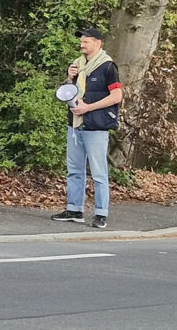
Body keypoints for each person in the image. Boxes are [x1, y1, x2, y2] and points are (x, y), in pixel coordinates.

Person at [52, 27, 122, 229]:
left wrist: (88, 107)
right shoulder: (77, 65)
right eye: (81, 41)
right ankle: (74, 209)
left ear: (98, 43)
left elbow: (117, 97)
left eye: (86, 41)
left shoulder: (108, 67)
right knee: (74, 170)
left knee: (99, 173)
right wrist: (69, 78)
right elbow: (70, 93)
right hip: (75, 126)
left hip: (96, 126)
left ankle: (101, 214)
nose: (82, 45)